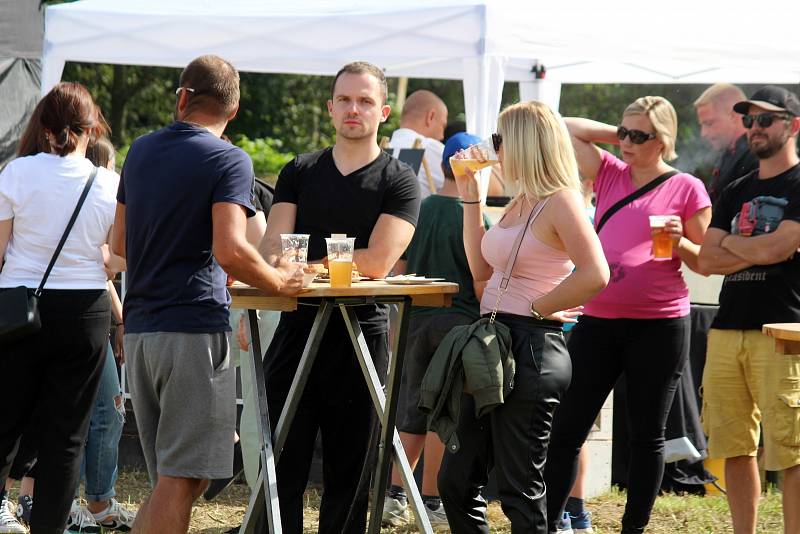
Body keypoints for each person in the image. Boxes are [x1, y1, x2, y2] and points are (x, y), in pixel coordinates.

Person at [111, 54, 303, 534]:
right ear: (233, 111)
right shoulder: (228, 157)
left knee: (177, 479)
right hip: (193, 329)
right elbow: (231, 250)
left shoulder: (140, 150)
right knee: (180, 479)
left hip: (140, 330)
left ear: (182, 97)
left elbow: (118, 245)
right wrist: (281, 282)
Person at [258, 61, 420, 533]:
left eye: (365, 101)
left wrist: (304, 264)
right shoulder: (299, 170)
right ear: (330, 108)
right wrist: (304, 263)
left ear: (383, 111)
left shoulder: (399, 180)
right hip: (297, 326)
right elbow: (272, 247)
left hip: (360, 335)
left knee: (349, 473)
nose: (354, 109)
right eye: (345, 100)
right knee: (281, 461)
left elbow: (377, 262)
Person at [544, 96, 712, 534]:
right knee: (566, 430)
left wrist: (681, 242)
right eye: (624, 132)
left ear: (663, 141)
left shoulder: (687, 188)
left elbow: (706, 261)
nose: (626, 143)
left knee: (647, 435)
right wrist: (620, 132)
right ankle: (547, 524)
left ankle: (632, 529)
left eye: (639, 136)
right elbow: (562, 127)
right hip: (598, 320)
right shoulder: (610, 171)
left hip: (659, 325)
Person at [440, 101, 609, 533]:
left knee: (519, 490)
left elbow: (596, 273)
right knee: (456, 481)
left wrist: (540, 306)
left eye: (500, 139)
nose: (493, 148)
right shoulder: (523, 200)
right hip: (494, 342)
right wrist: (470, 194)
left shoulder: (561, 201)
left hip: (532, 346)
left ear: (525, 143)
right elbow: (480, 270)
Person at [0, 82, 118, 533]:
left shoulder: (16, 173)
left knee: (4, 425)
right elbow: (116, 255)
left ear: (45, 129)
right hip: (86, 310)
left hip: (19, 309)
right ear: (91, 128)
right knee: (67, 440)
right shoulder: (108, 182)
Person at [697, 85, 800, 534]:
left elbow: (782, 246)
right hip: (727, 328)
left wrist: (742, 248)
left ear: (793, 126)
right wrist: (761, 250)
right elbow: (706, 259)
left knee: (791, 450)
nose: (754, 128)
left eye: (765, 120)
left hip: (783, 329)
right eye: (749, 120)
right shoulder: (736, 187)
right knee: (733, 446)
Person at [381, 132, 492, 529]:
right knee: (443, 417)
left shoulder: (421, 207)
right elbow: (486, 277)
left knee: (412, 410)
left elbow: (398, 268)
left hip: (415, 321)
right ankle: (432, 500)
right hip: (458, 325)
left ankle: (393, 498)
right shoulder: (474, 213)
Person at [694, 84, 759, 204]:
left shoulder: (755, 155)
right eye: (702, 125)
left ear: (734, 117)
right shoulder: (729, 152)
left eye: (709, 123)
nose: (703, 133)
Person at [387, 89, 448, 197]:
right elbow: (481, 187)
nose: (442, 136)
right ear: (430, 117)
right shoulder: (429, 148)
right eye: (443, 126)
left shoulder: (381, 149)